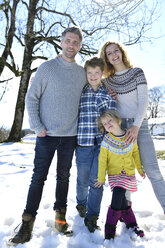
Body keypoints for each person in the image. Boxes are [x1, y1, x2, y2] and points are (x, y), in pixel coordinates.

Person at [8, 26, 87, 246]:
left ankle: (60, 219)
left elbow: (93, 89)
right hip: (46, 135)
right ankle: (27, 223)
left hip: (69, 137)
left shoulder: (82, 74)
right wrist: (36, 126)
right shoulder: (47, 68)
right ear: (61, 42)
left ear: (80, 46)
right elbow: (32, 98)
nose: (71, 45)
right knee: (38, 178)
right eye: (68, 41)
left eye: (76, 42)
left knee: (64, 178)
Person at [99, 40, 165, 213]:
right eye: (109, 53)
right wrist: (110, 96)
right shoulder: (107, 82)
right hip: (118, 128)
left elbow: (144, 101)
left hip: (138, 125)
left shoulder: (137, 73)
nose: (113, 55)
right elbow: (91, 84)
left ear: (121, 52)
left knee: (152, 169)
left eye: (116, 51)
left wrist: (135, 126)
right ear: (106, 58)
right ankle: (125, 212)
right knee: (124, 172)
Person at [76, 57, 116, 233]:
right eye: (89, 73)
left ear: (102, 74)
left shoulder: (107, 94)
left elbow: (113, 119)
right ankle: (81, 203)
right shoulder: (79, 91)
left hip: (101, 144)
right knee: (83, 180)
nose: (93, 76)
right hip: (83, 143)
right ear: (86, 73)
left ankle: (92, 216)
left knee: (97, 181)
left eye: (97, 73)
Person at [95, 109, 145, 239]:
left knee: (122, 200)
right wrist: (101, 178)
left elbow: (135, 153)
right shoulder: (107, 140)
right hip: (115, 175)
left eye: (110, 120)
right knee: (118, 194)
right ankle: (110, 229)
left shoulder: (129, 136)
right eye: (105, 123)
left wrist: (139, 169)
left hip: (128, 174)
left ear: (118, 120)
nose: (108, 124)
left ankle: (132, 225)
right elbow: (102, 160)